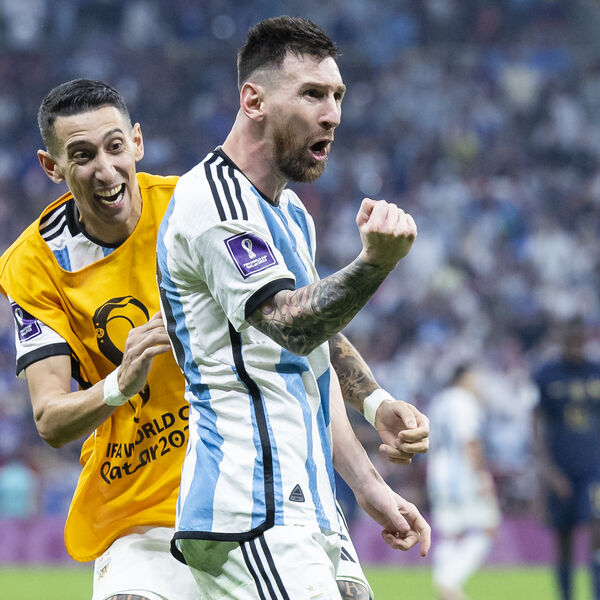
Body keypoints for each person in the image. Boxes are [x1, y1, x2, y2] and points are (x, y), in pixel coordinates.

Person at [0, 78, 429, 600]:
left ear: (137, 142)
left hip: (258, 479)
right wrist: (119, 384)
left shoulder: (196, 207)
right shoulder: (32, 265)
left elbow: (299, 332)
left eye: (114, 147)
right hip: (141, 506)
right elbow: (50, 418)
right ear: (52, 167)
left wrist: (374, 411)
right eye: (83, 155)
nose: (106, 170)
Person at [157, 16, 430, 600]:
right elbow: (291, 326)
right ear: (253, 101)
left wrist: (373, 417)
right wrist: (375, 264)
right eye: (312, 94)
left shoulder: (290, 212)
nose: (332, 114)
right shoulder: (213, 200)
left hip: (306, 501)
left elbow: (312, 359)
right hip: (249, 505)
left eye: (337, 96)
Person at [533, 317, 600, 600]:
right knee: (564, 539)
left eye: (579, 342)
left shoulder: (596, 371)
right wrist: (548, 470)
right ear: (563, 341)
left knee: (597, 530)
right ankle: (566, 595)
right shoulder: (547, 375)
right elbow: (538, 424)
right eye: (570, 342)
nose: (575, 348)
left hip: (594, 469)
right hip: (560, 469)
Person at [426, 364, 500, 600]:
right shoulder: (464, 401)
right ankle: (449, 583)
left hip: (438, 473)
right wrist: (481, 475)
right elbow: (469, 440)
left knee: (450, 533)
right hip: (462, 473)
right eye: (475, 378)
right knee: (487, 527)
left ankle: (444, 584)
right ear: (465, 378)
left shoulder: (439, 402)